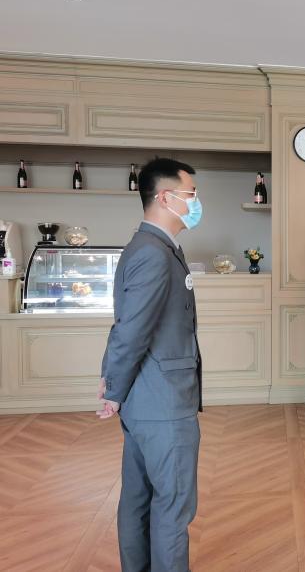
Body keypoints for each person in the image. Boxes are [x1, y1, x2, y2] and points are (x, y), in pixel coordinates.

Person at [97, 157, 203, 572]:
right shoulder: (154, 253)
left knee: (139, 501)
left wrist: (113, 383)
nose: (196, 202)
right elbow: (132, 330)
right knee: (172, 507)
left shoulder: (148, 246)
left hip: (145, 399)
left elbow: (127, 326)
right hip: (163, 402)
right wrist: (113, 389)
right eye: (191, 194)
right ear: (165, 197)